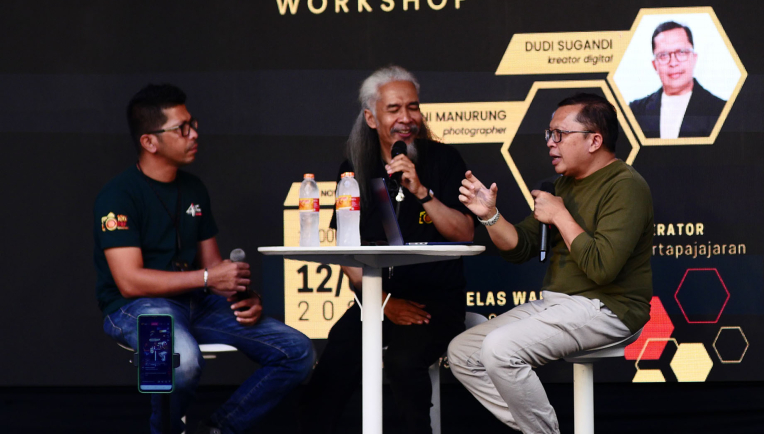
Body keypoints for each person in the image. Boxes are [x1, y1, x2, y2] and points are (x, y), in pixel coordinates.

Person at [94, 84, 314, 434]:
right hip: (135, 307)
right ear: (149, 142)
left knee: (297, 352)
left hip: (196, 303)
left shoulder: (194, 188)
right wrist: (210, 279)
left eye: (192, 123)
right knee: (179, 363)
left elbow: (213, 270)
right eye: (182, 129)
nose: (194, 133)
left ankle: (218, 429)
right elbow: (130, 281)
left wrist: (242, 295)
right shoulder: (118, 196)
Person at [448, 93, 653, 434]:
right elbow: (520, 247)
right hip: (558, 304)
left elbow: (602, 268)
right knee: (463, 351)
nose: (550, 143)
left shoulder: (626, 186)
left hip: (610, 308)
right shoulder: (562, 185)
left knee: (500, 348)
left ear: (594, 140)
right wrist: (490, 216)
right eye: (549, 134)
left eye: (560, 134)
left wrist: (560, 215)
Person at [299, 66, 475, 434]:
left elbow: (464, 234)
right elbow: (345, 249)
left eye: (413, 107)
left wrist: (421, 192)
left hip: (434, 301)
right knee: (334, 364)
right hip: (376, 300)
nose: (406, 119)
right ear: (371, 117)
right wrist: (382, 302)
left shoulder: (444, 160)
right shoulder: (356, 168)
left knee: (404, 362)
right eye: (394, 109)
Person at [628, 21, 726, 138]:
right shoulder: (636, 112)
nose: (673, 63)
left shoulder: (720, 110)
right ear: (655, 65)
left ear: (694, 58)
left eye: (681, 52)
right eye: (663, 55)